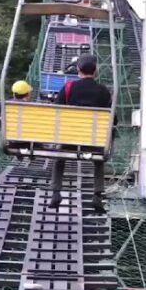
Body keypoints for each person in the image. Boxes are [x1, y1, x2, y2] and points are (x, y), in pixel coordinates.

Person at [50, 54, 111, 214]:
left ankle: (56, 192)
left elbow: (58, 111)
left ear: (78, 69)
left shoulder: (69, 87)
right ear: (96, 70)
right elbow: (112, 118)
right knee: (99, 160)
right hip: (92, 140)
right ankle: (97, 194)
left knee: (59, 157)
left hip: (70, 138)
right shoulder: (103, 91)